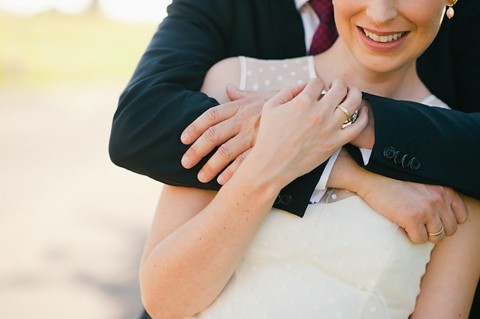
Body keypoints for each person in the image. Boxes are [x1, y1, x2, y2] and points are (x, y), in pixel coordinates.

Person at [107, 0, 480, 317]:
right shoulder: (238, 85)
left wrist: (350, 119)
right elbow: (163, 300)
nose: (381, 13)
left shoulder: (456, 161)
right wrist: (299, 159)